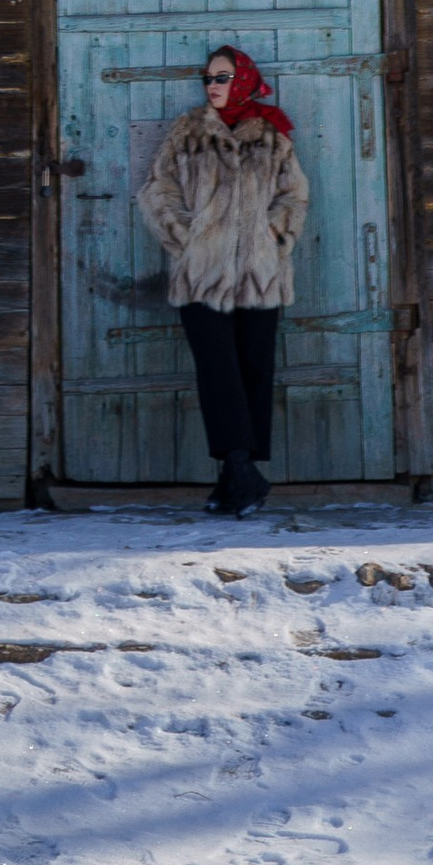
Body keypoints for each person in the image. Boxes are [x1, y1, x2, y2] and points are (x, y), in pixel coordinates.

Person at [137, 43, 309, 517]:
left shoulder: (272, 133)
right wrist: (186, 238)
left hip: (259, 275)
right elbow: (157, 190)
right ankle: (241, 469)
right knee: (218, 373)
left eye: (222, 77)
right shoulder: (188, 131)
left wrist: (273, 236)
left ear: (245, 80)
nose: (212, 86)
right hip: (202, 276)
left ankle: (236, 480)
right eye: (208, 79)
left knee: (254, 371)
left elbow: (294, 196)